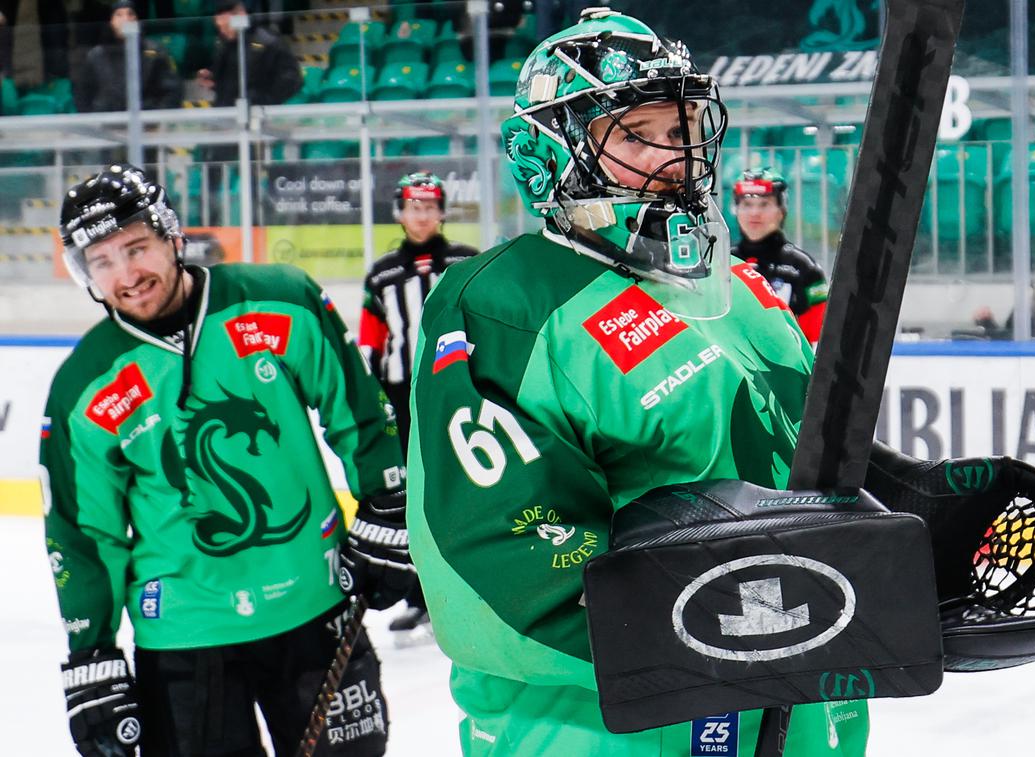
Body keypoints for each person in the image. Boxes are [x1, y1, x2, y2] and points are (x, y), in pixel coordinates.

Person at [406, 9, 869, 755]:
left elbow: (808, 464)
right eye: (634, 134)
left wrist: (896, 550)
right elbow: (503, 565)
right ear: (548, 151)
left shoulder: (742, 286)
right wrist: (730, 633)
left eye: (681, 129)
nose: (673, 157)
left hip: (793, 695)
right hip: (604, 725)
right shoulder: (506, 303)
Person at [44, 164, 416, 756]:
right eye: (102, 262)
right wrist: (91, 655)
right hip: (185, 636)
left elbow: (360, 412)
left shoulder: (280, 299)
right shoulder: (84, 386)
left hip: (313, 607)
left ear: (171, 235)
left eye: (136, 248)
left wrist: (390, 505)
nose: (126, 275)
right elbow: (86, 535)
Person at [358, 170, 477, 643]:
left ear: (442, 211)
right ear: (400, 213)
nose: (422, 214)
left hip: (456, 390)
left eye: (430, 206)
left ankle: (470, 584)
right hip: (403, 398)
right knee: (418, 496)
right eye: (413, 206)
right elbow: (372, 342)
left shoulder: (466, 263)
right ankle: (420, 594)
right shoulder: (384, 273)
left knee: (466, 486)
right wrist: (371, 396)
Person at [732, 166, 829, 343]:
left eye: (764, 204)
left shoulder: (804, 268)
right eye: (747, 204)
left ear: (781, 210)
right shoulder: (721, 263)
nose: (755, 213)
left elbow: (819, 339)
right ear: (736, 210)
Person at [73, 0, 183, 113]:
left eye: (130, 14)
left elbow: (172, 90)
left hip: (147, 123)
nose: (126, 19)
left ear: (136, 20)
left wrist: (158, 120)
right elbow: (82, 94)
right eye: (119, 15)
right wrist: (95, 123)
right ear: (111, 21)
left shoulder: (154, 52)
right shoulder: (95, 56)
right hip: (106, 124)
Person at [196, 0, 300, 107]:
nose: (222, 31)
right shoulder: (224, 44)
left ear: (240, 17)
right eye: (219, 27)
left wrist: (263, 100)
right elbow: (226, 81)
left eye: (226, 26)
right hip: (227, 110)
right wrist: (211, 78)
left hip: (257, 112)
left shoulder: (268, 42)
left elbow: (291, 79)